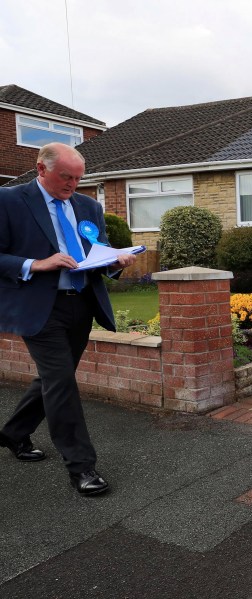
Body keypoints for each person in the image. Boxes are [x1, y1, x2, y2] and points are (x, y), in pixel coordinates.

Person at [0, 142, 138, 496]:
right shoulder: (9, 200)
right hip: (40, 307)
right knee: (61, 384)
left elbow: (98, 251)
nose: (72, 184)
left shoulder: (88, 205)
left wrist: (114, 261)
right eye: (66, 177)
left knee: (53, 378)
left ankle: (14, 432)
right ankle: (82, 467)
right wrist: (36, 264)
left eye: (78, 178)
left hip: (82, 304)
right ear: (41, 169)